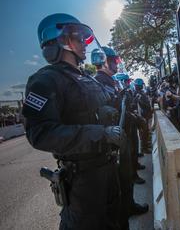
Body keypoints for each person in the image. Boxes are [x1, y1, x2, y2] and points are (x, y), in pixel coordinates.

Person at [22, 13, 124, 229]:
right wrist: (99, 133)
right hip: (82, 180)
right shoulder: (45, 80)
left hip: (107, 169)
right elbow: (40, 133)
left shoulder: (85, 77)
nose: (84, 45)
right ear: (62, 41)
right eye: (79, 38)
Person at [91, 48, 148, 230]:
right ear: (105, 61)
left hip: (124, 137)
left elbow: (123, 107)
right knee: (118, 188)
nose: (117, 64)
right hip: (112, 142)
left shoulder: (112, 82)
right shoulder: (97, 82)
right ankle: (123, 216)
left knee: (126, 178)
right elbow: (105, 112)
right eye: (114, 60)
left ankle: (129, 205)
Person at [133, 78, 152, 154]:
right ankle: (144, 148)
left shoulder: (140, 93)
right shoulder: (138, 94)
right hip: (142, 115)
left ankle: (145, 145)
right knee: (144, 132)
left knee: (145, 131)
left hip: (144, 115)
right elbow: (141, 105)